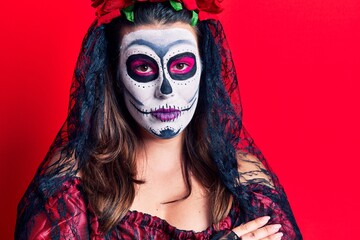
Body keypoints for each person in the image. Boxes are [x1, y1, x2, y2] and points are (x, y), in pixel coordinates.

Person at [15, 1, 302, 239]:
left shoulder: (245, 180)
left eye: (180, 65)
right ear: (115, 76)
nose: (165, 90)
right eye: (143, 67)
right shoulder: (73, 181)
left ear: (205, 70)